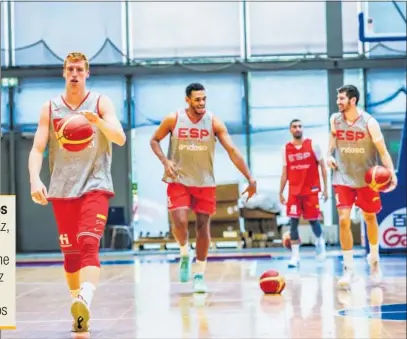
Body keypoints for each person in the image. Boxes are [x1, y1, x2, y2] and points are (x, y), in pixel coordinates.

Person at [28, 52, 126, 335]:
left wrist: (97, 122)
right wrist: (35, 179)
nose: (74, 73)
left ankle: (85, 298)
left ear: (87, 73)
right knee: (71, 257)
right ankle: (78, 307)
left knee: (88, 243)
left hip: (95, 185)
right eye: (70, 69)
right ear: (63, 73)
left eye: (79, 69)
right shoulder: (49, 107)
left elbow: (119, 137)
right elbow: (36, 148)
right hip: (61, 189)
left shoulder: (100, 102)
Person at [150, 83, 257, 293]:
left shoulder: (213, 121)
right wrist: (165, 161)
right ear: (187, 100)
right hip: (178, 179)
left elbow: (232, 151)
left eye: (204, 99)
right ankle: (183, 252)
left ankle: (199, 273)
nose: (201, 103)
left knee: (202, 227)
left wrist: (250, 178)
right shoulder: (173, 119)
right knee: (179, 221)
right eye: (197, 99)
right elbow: (154, 140)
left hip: (204, 182)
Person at [327, 85, 397, 288]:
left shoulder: (369, 122)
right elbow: (331, 144)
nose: (338, 102)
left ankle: (374, 260)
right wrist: (327, 156)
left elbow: (383, 152)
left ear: (353, 100)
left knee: (369, 217)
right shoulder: (334, 119)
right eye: (338, 98)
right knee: (343, 220)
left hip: (367, 179)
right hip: (342, 177)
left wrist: (391, 173)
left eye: (341, 99)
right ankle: (349, 269)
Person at [279, 119, 328, 268]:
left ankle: (320, 241)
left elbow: (323, 167)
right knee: (293, 223)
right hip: (294, 191)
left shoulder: (313, 145)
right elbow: (285, 172)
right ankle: (295, 256)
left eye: (300, 126)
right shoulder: (285, 149)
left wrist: (326, 189)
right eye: (294, 126)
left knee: (313, 220)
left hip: (311, 190)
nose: (298, 128)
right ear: (290, 130)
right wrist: (280, 192)